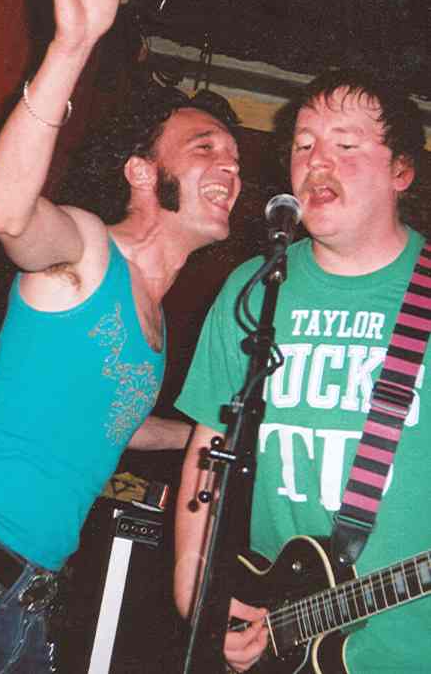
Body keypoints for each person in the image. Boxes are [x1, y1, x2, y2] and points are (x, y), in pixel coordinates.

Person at [0, 0, 241, 672]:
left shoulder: (153, 326)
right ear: (140, 172)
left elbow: (117, 422)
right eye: (204, 147)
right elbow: (5, 211)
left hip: (24, 605)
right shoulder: (88, 251)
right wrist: (72, 46)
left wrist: (207, 435)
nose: (229, 165)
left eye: (234, 157)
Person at [174, 68, 431, 673]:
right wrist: (196, 592)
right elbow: (210, 447)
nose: (317, 161)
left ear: (401, 171)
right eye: (304, 144)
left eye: (346, 144)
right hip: (276, 632)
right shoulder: (255, 286)